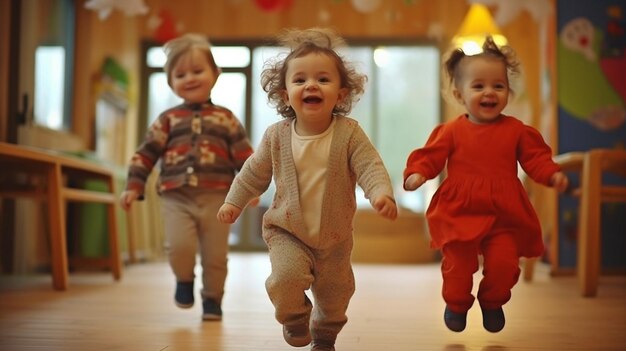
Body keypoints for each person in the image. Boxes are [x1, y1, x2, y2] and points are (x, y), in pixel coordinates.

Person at [217, 27, 398, 351]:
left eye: (323, 79)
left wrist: (380, 193)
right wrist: (234, 202)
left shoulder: (349, 134)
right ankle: (294, 316)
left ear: (341, 94)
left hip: (335, 236)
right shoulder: (276, 136)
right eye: (300, 80)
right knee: (286, 279)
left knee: (336, 292)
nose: (311, 85)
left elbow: (370, 166)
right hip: (287, 230)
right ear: (285, 94)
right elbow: (251, 174)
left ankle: (326, 332)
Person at [403, 36, 569, 333]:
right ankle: (456, 303)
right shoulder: (451, 131)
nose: (489, 92)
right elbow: (430, 157)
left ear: (508, 92)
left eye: (498, 86)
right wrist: (418, 174)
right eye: (478, 86)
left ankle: (493, 301)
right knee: (457, 268)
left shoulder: (517, 131)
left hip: (504, 213)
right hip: (459, 211)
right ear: (459, 94)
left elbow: (536, 158)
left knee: (505, 265)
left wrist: (551, 174)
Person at [119, 33, 254, 321]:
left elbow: (245, 157)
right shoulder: (167, 120)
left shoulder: (226, 118)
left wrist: (250, 190)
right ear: (171, 82)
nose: (190, 78)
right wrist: (134, 185)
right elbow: (145, 153)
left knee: (215, 256)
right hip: (176, 196)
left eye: (197, 70)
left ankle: (213, 300)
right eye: (180, 74)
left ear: (215, 74)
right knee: (178, 246)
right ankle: (184, 279)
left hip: (218, 198)